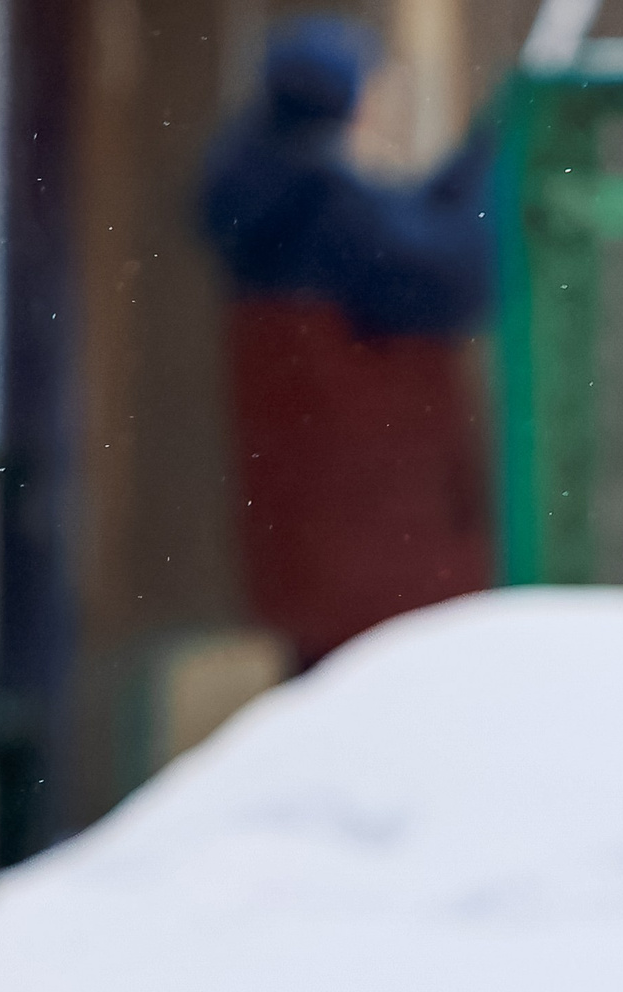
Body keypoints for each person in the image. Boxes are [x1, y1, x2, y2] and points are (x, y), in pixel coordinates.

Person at [201, 17, 497, 670]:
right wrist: (490, 171)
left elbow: (409, 239)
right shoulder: (331, 212)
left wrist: (467, 173)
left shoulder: (270, 204)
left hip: (312, 564)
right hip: (384, 561)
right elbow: (448, 272)